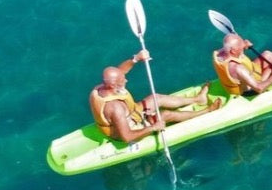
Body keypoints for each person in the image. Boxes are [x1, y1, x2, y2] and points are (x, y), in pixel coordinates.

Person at [90, 52, 220, 143]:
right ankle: (207, 111)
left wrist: (136, 58)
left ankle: (198, 99)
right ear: (113, 85)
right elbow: (127, 137)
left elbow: (121, 71)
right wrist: (154, 127)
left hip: (131, 115)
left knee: (156, 98)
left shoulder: (102, 87)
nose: (126, 80)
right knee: (165, 115)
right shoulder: (115, 108)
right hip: (125, 130)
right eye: (122, 81)